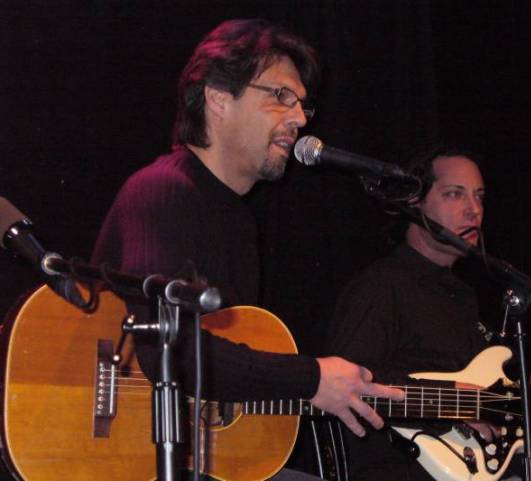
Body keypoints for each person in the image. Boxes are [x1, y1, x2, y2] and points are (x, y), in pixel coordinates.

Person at [91, 18, 404, 480]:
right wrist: (312, 379)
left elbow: (228, 372)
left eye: (302, 105)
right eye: (280, 96)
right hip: (129, 457)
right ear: (218, 98)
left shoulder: (238, 221)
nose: (298, 119)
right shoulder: (163, 191)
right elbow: (166, 349)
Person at [326, 145, 531, 481]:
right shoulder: (382, 285)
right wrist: (451, 403)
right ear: (415, 202)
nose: (474, 210)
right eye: (455, 194)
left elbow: (489, 405)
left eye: (480, 197)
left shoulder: (462, 297)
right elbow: (349, 383)